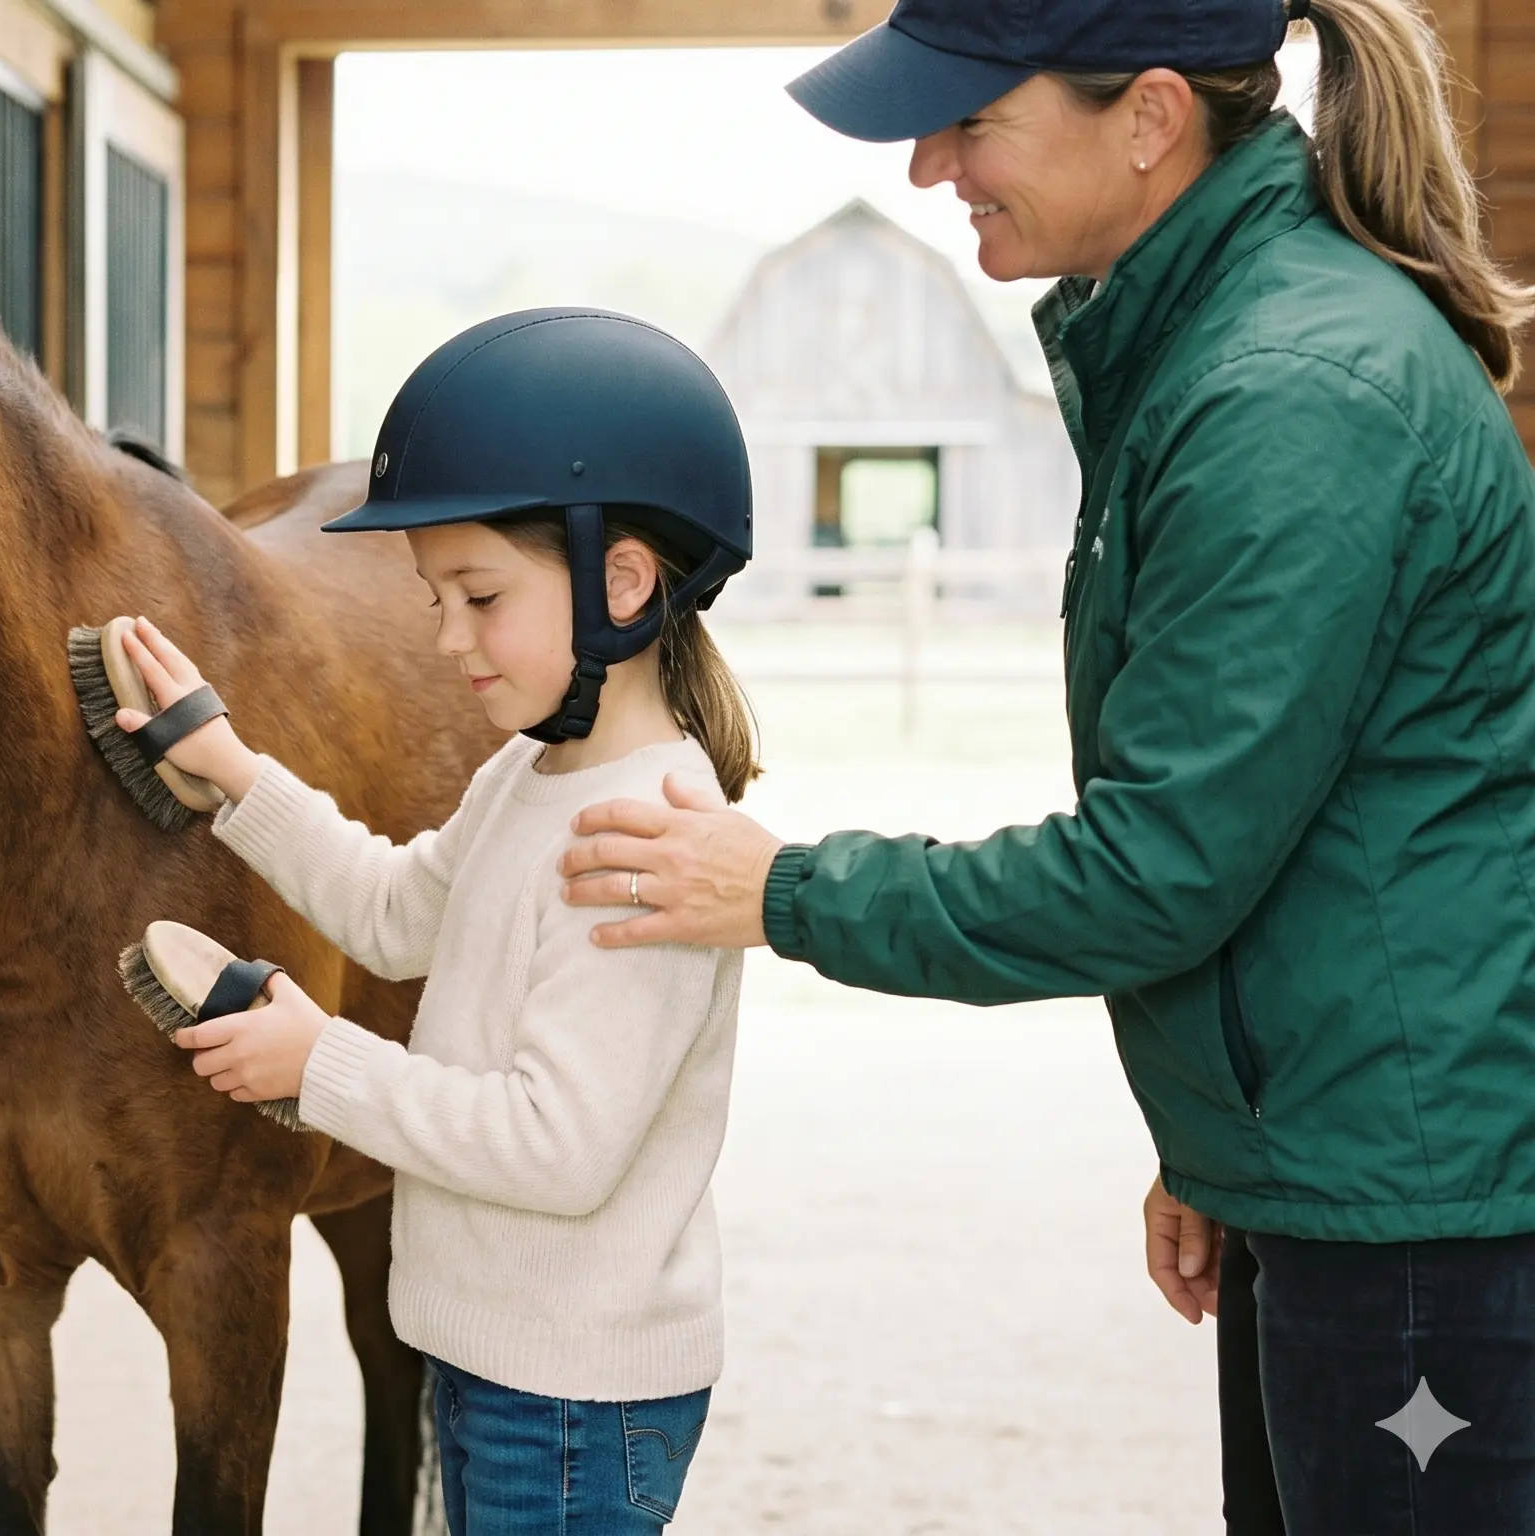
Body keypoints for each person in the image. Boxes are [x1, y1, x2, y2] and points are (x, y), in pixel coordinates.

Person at [559, 0, 1535, 1530]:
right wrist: (1235, 1141)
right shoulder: (1220, 344)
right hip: (1356, 1163)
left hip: (1422, 1206)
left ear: (1147, 119)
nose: (933, 163)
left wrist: (785, 892)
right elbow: (1317, 826)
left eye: (973, 119)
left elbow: (1160, 870)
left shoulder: (1286, 393)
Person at [110, 308, 757, 1532]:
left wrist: (321, 1066)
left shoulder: (648, 836)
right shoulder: (531, 771)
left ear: (622, 581)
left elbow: (553, 1146)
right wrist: (238, 774)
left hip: (571, 1398)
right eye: (434, 598)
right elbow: (401, 914)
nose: (447, 639)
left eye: (477, 595)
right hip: (493, 1355)